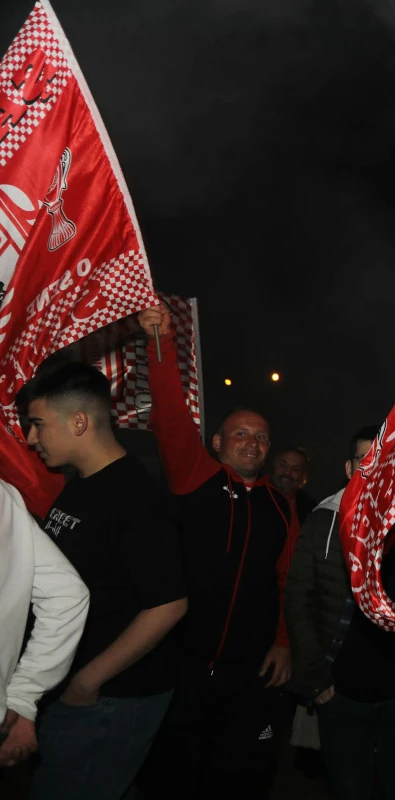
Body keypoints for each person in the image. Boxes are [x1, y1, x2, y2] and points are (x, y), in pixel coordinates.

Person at [135, 305, 299, 798]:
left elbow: (286, 580)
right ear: (218, 442)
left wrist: (284, 642)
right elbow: (169, 415)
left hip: (249, 675)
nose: (253, 443)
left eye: (262, 437)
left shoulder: (281, 505)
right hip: (182, 668)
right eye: (242, 434)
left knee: (239, 780)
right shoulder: (196, 477)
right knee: (173, 778)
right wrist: (159, 340)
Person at [20, 362, 188, 799]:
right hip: (83, 695)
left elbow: (169, 604)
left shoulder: (135, 496)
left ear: (79, 421)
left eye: (38, 424)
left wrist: (87, 681)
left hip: (112, 697)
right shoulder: (80, 484)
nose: (31, 438)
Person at [285, 425, 395, 799]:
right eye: (367, 460)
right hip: (339, 693)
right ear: (350, 469)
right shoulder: (325, 521)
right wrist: (316, 678)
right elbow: (300, 599)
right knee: (349, 790)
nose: (376, 468)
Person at [0, 479, 89, 769]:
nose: (32, 439)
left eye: (40, 428)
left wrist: (24, 695)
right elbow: (67, 594)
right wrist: (23, 696)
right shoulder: (5, 496)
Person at [271, 447, 316, 523]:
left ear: (303, 476)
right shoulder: (254, 495)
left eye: (295, 469)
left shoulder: (309, 509)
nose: (287, 472)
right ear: (273, 466)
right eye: (282, 465)